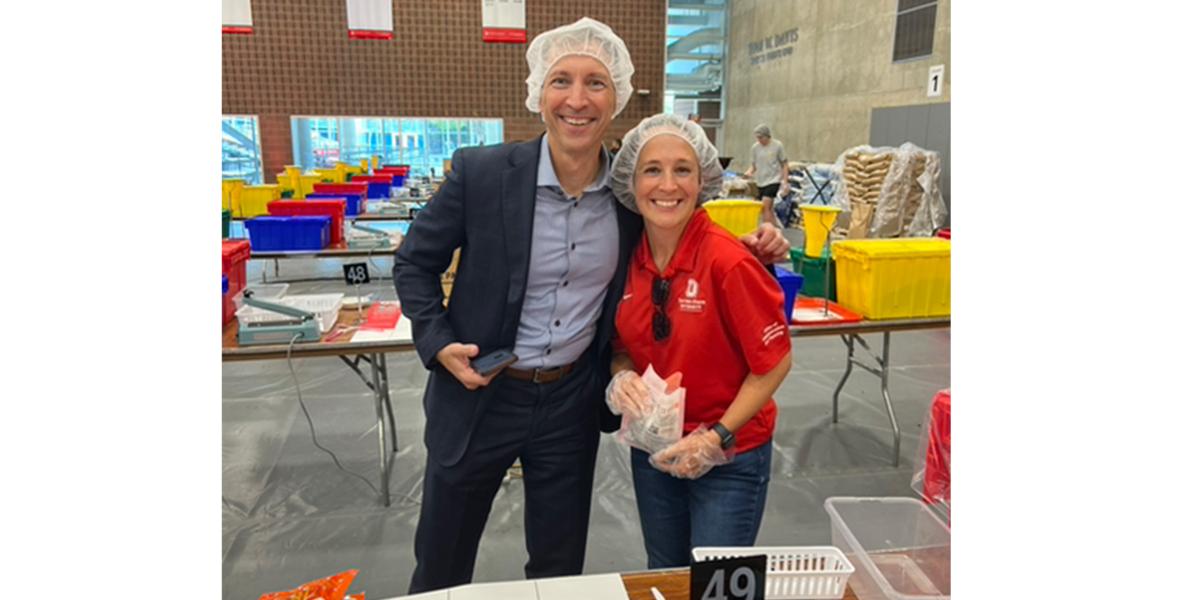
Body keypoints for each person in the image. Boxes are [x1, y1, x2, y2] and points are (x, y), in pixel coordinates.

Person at [393, 18, 790, 593]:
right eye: (561, 81)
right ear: (538, 92)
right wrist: (435, 340)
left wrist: (762, 251)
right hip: (482, 391)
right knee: (441, 563)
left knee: (559, 568)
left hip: (568, 405)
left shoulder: (631, 201)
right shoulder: (481, 175)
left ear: (617, 98)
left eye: (595, 83)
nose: (577, 100)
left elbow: (689, 236)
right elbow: (413, 261)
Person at [606, 113, 793, 568]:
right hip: (656, 446)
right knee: (667, 573)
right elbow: (622, 345)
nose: (667, 185)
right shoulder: (627, 259)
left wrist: (716, 437)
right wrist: (622, 376)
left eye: (682, 170)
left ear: (703, 178)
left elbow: (774, 362)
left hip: (728, 455)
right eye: (652, 169)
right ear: (632, 181)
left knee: (716, 584)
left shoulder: (729, 262)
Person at [743, 123, 790, 227]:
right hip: (760, 181)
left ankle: (768, 231)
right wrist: (749, 172)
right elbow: (754, 166)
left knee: (765, 206)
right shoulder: (755, 148)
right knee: (769, 209)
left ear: (767, 136)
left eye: (761, 137)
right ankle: (776, 230)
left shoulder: (777, 145)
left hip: (774, 180)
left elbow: (784, 164)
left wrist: (785, 181)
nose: (759, 140)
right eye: (757, 138)